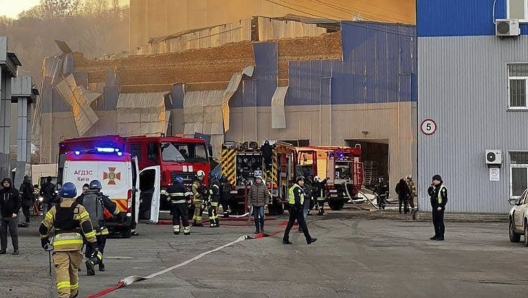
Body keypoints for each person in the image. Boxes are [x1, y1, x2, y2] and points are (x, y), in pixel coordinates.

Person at [39, 182, 100, 298]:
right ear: (74, 195)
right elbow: (87, 227)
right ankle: (73, 293)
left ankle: (64, 295)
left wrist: (44, 241)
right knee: (73, 270)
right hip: (76, 246)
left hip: (60, 246)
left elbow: (43, 227)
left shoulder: (54, 209)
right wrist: (94, 244)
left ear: (61, 195)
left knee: (62, 271)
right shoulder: (80, 209)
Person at [75, 180, 118, 275]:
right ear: (99, 188)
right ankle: (93, 262)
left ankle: (90, 263)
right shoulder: (102, 198)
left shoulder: (81, 198)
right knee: (99, 249)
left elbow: (75, 211)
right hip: (100, 230)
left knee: (89, 248)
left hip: (86, 230)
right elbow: (115, 210)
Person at [282, 177, 317, 245]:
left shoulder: (294, 187)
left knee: (290, 224)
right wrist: (299, 208)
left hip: (293, 208)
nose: (302, 182)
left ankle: (285, 238)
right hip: (297, 209)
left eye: (303, 181)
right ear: (297, 181)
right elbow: (297, 199)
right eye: (301, 181)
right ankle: (308, 239)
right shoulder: (297, 189)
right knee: (303, 224)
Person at [0, 178, 21, 255]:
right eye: (4, 182)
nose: (6, 183)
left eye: (7, 182)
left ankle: (16, 249)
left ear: (10, 183)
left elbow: (19, 202)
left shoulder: (14, 192)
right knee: (2, 233)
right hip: (3, 215)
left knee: (13, 232)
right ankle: (3, 249)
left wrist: (15, 212)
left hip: (12, 216)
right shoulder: (1, 192)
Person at [428, 175, 447, 241]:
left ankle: (441, 236)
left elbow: (444, 199)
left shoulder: (442, 188)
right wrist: (430, 187)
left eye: (434, 180)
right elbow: (430, 193)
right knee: (435, 221)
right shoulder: (434, 188)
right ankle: (437, 234)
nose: (433, 181)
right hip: (434, 207)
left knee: (440, 222)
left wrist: (441, 206)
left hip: (439, 208)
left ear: (437, 180)